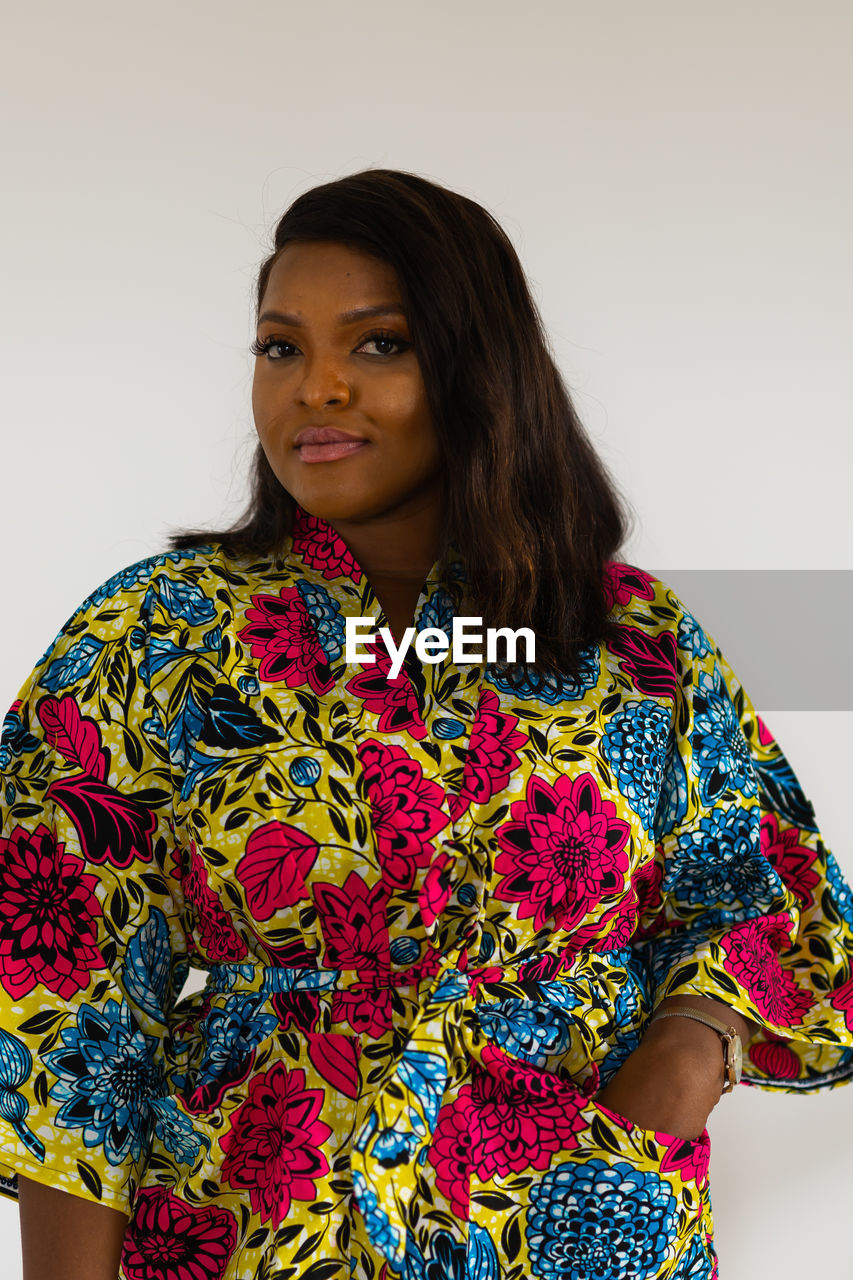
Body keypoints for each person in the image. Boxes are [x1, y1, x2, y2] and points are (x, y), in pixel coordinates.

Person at [1, 168, 851, 1280]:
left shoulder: (629, 635)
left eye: (378, 345)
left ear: (474, 366)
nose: (317, 389)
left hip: (571, 1228)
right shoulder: (154, 634)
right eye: (280, 348)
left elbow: (766, 886)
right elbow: (61, 1006)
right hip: (255, 1231)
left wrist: (690, 1051)